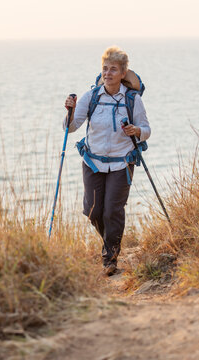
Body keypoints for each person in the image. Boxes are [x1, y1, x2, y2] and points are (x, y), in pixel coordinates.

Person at [63, 46, 151, 276]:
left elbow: (147, 129)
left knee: (112, 210)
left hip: (122, 162)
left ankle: (110, 257)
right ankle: (109, 241)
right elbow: (70, 128)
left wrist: (136, 130)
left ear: (123, 73)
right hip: (93, 161)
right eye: (105, 68)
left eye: (113, 69)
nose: (108, 73)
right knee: (93, 212)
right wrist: (70, 112)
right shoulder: (91, 96)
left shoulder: (132, 100)